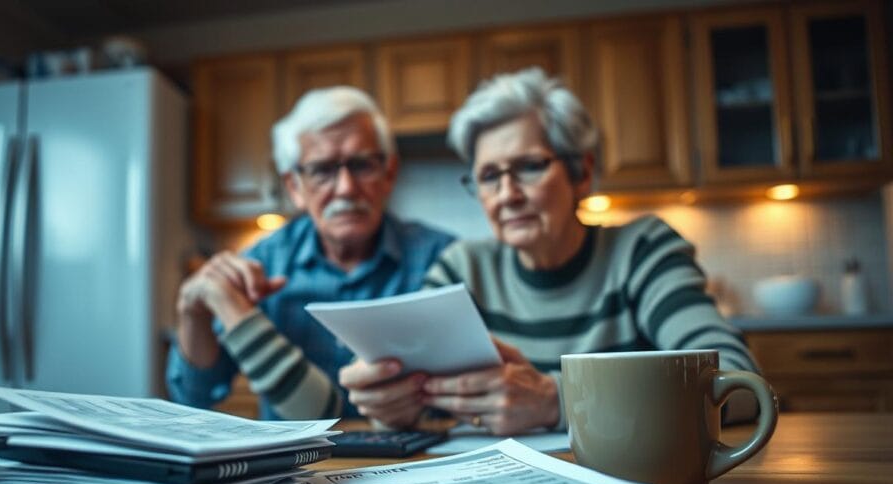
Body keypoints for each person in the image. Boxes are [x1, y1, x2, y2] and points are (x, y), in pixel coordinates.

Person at [340, 67, 759, 435]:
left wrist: (557, 401)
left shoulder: (640, 252)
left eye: (529, 167)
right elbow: (417, 393)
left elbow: (738, 385)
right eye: (488, 176)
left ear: (582, 173)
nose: (506, 195)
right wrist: (389, 402)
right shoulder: (463, 267)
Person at [166, 86, 454, 420]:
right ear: (294, 187)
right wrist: (193, 313)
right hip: (297, 469)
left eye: (362, 165)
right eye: (322, 170)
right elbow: (193, 395)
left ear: (389, 174)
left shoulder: (442, 257)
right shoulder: (261, 264)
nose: (346, 188)